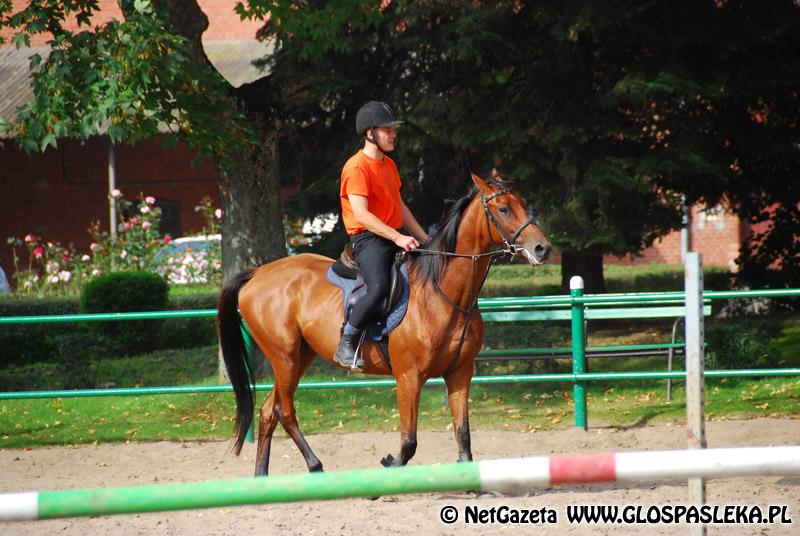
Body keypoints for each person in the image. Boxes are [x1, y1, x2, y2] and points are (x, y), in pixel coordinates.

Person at [334, 101, 430, 371]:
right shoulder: (356, 168)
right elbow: (362, 215)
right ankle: (347, 341)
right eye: (387, 130)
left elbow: (399, 206)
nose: (393, 134)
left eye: (393, 130)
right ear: (369, 133)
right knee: (377, 288)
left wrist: (424, 239)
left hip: (390, 235)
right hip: (368, 239)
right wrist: (398, 238)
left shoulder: (389, 165)